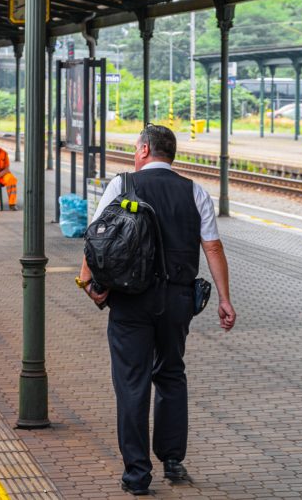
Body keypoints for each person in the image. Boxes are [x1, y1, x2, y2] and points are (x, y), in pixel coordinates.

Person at [76, 124, 236, 496]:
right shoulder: (194, 191)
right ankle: (173, 459)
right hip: (178, 301)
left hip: (131, 300)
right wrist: (225, 300)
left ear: (145, 150)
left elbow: (96, 236)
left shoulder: (123, 185)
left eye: (136, 148)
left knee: (132, 384)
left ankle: (137, 475)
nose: (135, 154)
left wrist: (88, 284)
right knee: (171, 373)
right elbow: (213, 248)